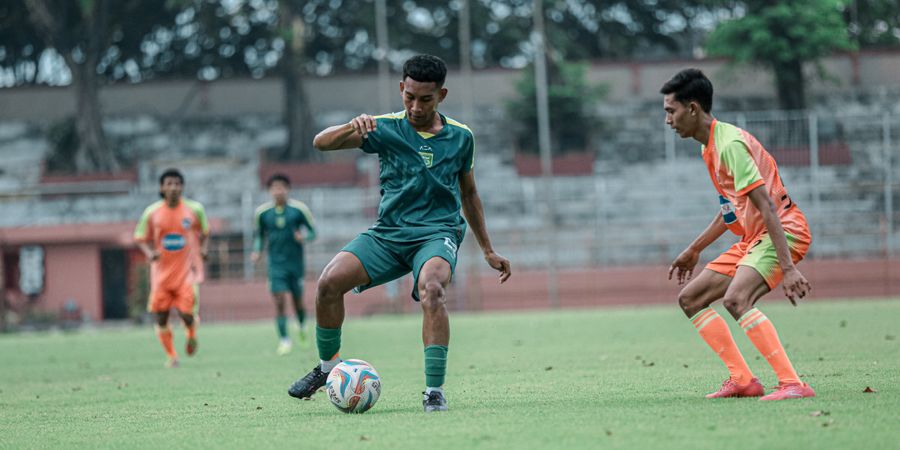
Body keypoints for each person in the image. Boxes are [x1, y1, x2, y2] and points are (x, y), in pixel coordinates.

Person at [287, 54, 511, 412]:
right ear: (401, 89)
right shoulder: (384, 127)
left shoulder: (461, 137)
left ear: (442, 95)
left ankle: (434, 391)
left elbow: (469, 193)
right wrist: (351, 127)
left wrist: (487, 249)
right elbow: (321, 143)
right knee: (329, 283)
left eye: (426, 99)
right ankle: (328, 369)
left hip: (437, 233)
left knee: (433, 290)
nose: (416, 106)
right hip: (389, 234)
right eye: (409, 97)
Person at [661, 68, 815, 401]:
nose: (668, 120)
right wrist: (694, 249)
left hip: (784, 231)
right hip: (754, 238)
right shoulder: (710, 147)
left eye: (671, 111)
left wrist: (787, 268)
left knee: (736, 299)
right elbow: (731, 209)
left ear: (693, 109)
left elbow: (766, 207)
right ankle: (743, 379)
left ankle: (793, 384)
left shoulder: (729, 145)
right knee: (691, 298)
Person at [135, 169, 209, 368]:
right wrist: (150, 253)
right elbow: (141, 238)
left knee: (186, 314)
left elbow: (205, 232)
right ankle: (172, 356)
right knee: (161, 316)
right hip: (161, 275)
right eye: (169, 183)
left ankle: (191, 333)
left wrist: (203, 249)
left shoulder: (195, 210)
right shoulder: (152, 212)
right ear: (162, 187)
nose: (174, 187)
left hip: (187, 273)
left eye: (177, 183)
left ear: (182, 187)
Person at [251, 173, 317, 355]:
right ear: (269, 191)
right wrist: (257, 251)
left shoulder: (298, 210)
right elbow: (259, 237)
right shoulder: (263, 213)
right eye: (274, 188)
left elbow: (312, 232)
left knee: (298, 302)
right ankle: (284, 340)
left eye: (282, 187)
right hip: (275, 265)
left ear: (288, 189)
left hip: (295, 265)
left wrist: (303, 237)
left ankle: (302, 327)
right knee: (279, 300)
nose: (278, 191)